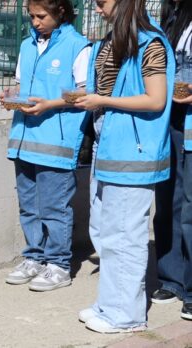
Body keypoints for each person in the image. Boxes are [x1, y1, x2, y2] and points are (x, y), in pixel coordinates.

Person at [73, 0, 175, 333]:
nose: (98, 8)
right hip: (109, 147)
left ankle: (127, 316)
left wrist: (102, 101)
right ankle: (110, 304)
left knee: (126, 234)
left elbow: (155, 99)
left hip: (134, 151)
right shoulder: (110, 41)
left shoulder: (151, 43)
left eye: (101, 2)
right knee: (107, 232)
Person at [0, 0, 90, 291]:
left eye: (42, 16)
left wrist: (51, 104)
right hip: (24, 140)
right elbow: (21, 85)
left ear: (60, 12)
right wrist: (11, 95)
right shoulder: (27, 45)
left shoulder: (79, 46)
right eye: (31, 16)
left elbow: (87, 94)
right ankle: (34, 258)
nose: (36, 21)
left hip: (56, 142)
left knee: (54, 207)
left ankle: (59, 264)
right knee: (29, 206)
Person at [152, 0, 192, 321]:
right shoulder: (168, 19)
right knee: (167, 200)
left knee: (190, 206)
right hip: (170, 120)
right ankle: (171, 278)